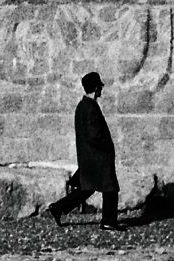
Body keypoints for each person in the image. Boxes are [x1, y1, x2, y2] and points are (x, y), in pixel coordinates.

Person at [48, 72, 120, 231]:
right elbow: (94, 135)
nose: (101, 89)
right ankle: (109, 221)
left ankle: (58, 208)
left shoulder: (83, 106)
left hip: (89, 157)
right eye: (100, 86)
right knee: (110, 188)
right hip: (98, 157)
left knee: (86, 189)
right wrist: (107, 146)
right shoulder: (90, 107)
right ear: (96, 88)